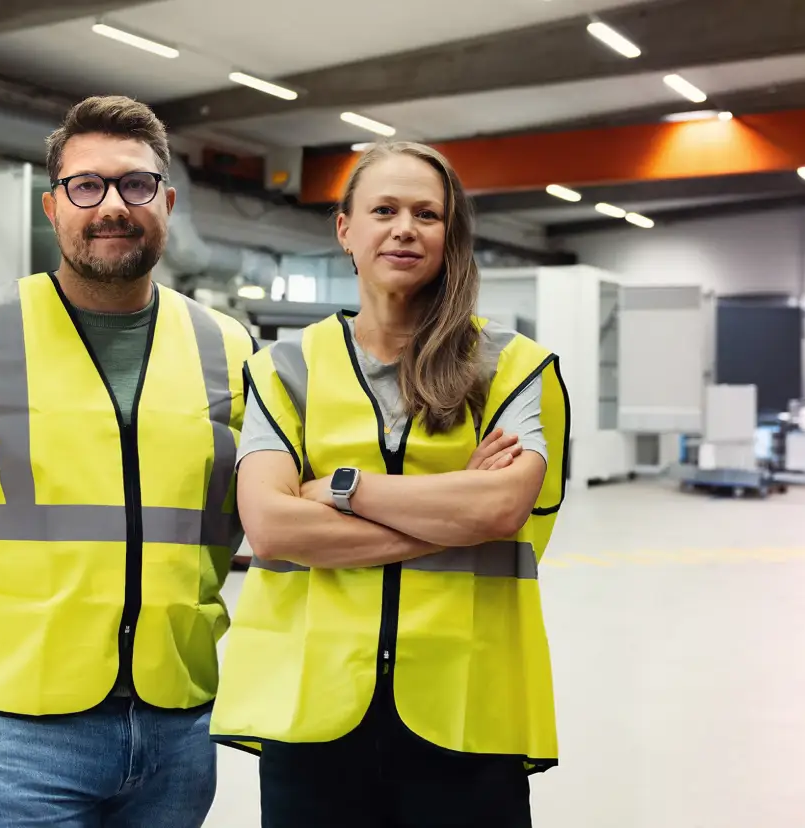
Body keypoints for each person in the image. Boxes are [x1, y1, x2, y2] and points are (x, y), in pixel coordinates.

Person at [0, 95, 255, 828]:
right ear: (52, 206)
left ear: (168, 202)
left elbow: (242, 516)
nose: (112, 205)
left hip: (180, 720)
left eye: (136, 185)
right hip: (24, 731)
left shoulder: (228, 347)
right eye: (87, 185)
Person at [209, 141, 571, 828]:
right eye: (384, 210)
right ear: (345, 230)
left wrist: (340, 488)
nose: (405, 227)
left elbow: (499, 506)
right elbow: (274, 528)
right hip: (314, 715)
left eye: (426, 214)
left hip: (467, 709)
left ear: (449, 236)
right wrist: (446, 512)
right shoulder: (285, 367)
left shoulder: (513, 365)